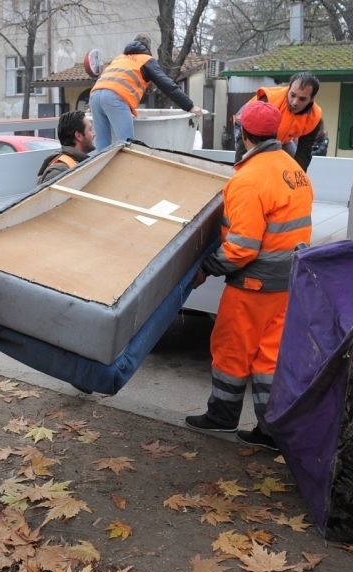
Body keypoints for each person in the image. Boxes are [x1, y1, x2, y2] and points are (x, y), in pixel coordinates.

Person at [185, 101, 314, 452]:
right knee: (270, 359)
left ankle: (222, 417)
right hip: (288, 281)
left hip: (254, 286)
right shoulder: (294, 169)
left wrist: (206, 268)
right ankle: (271, 431)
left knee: (231, 351)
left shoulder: (248, 180)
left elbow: (242, 247)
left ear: (244, 135)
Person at [89, 33, 203, 151]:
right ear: (148, 48)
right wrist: (189, 106)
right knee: (127, 146)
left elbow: (110, 82)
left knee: (102, 144)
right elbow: (168, 85)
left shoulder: (119, 58)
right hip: (115, 97)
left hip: (95, 96)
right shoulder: (146, 60)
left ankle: (102, 169)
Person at [234, 72, 322, 171]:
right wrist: (240, 171)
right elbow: (247, 139)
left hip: (282, 138)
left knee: (291, 166)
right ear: (289, 89)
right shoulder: (270, 101)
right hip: (247, 127)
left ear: (311, 99)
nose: (295, 102)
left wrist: (296, 177)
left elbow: (304, 152)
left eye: (302, 99)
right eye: (292, 95)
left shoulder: (314, 117)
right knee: (255, 164)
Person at [37, 110, 95, 183]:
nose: (94, 134)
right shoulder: (58, 172)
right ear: (78, 136)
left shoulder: (77, 163)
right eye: (90, 129)